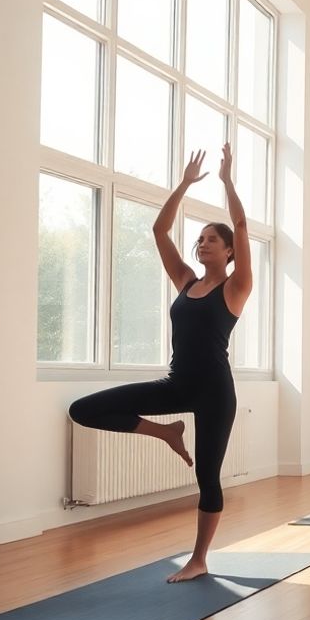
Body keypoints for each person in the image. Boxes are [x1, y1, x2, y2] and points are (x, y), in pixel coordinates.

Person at [69, 144, 252, 583]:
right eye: (201, 238)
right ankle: (167, 431)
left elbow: (242, 224)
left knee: (208, 476)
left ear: (229, 252)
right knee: (83, 409)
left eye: (213, 239)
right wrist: (185, 184)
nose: (203, 243)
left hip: (214, 393)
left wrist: (226, 182)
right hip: (177, 384)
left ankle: (200, 558)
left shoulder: (236, 288)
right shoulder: (185, 281)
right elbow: (159, 229)